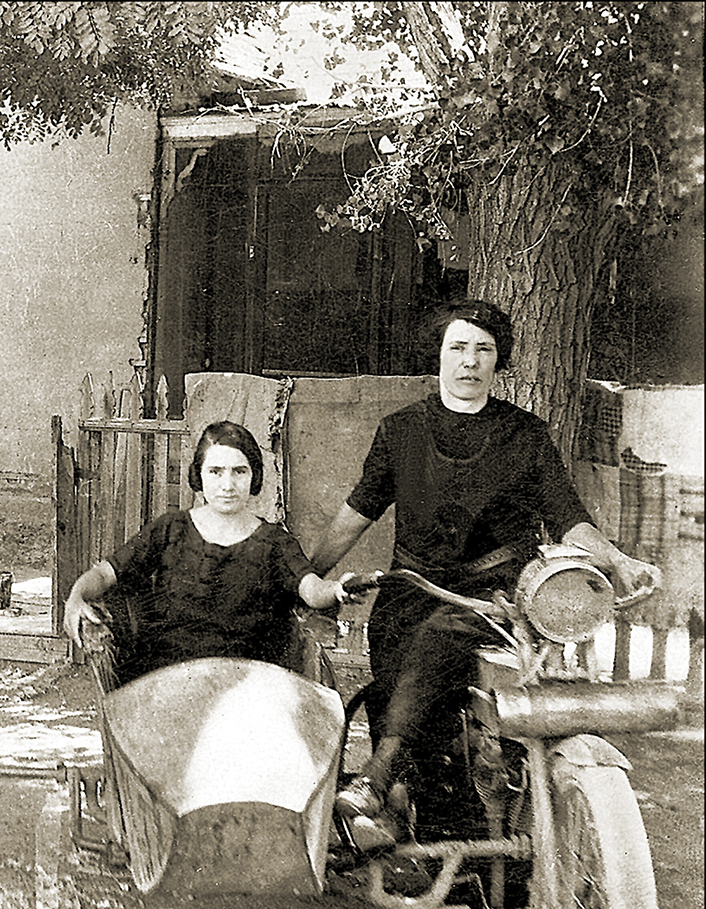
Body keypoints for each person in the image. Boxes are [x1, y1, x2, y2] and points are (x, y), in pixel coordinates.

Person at [310, 299, 662, 850]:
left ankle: (378, 778)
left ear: (499, 362)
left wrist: (618, 560)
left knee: (440, 637)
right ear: (439, 356)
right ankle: (400, 798)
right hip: (410, 590)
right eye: (458, 347)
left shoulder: (526, 435)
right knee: (396, 646)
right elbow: (355, 514)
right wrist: (308, 578)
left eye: (484, 350)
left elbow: (570, 520)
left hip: (493, 600)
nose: (469, 361)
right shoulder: (400, 431)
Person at [64, 421, 354, 683]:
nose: (227, 485)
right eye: (215, 472)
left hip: (249, 688)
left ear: (254, 477)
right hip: (168, 683)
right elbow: (104, 573)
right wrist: (76, 597)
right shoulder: (170, 530)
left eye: (239, 471)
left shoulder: (275, 542)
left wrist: (338, 589)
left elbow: (311, 589)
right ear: (198, 475)